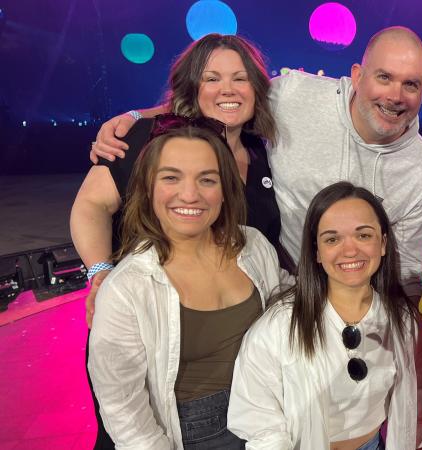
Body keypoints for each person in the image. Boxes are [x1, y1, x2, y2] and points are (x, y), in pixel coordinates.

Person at [91, 26, 422, 301]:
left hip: (349, 303)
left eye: (410, 84)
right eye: (384, 77)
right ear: (357, 75)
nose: (395, 96)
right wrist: (138, 116)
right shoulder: (294, 96)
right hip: (278, 298)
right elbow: (221, 99)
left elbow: (407, 274)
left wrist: (412, 331)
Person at [71, 33, 291, 448]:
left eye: (240, 79)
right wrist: (101, 272)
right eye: (211, 79)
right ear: (191, 88)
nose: (227, 89)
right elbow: (90, 206)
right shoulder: (147, 139)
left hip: (238, 373)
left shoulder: (260, 153)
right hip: (157, 337)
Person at [227, 181, 422, 449]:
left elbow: (417, 395)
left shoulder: (402, 320)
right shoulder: (279, 326)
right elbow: (258, 418)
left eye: (363, 235)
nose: (350, 250)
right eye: (332, 239)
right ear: (316, 251)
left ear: (382, 243)